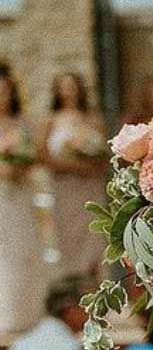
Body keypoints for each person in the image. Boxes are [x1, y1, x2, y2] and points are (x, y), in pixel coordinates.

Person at [37, 72, 107, 276]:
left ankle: (93, 287)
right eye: (64, 87)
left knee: (92, 238)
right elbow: (42, 157)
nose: (69, 91)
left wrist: (88, 161)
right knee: (68, 239)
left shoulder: (93, 118)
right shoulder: (51, 120)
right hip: (65, 189)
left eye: (73, 86)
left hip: (89, 188)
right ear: (57, 91)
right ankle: (72, 289)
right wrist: (72, 165)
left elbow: (104, 156)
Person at [0, 71, 46, 334]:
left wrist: (20, 161)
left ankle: (27, 313)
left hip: (22, 194)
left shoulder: (22, 123)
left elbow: (37, 154)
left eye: (5, 90)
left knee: (25, 249)